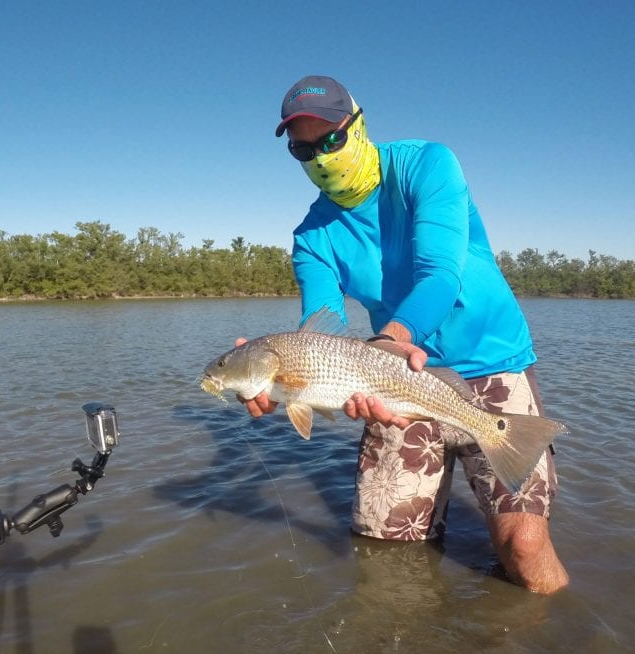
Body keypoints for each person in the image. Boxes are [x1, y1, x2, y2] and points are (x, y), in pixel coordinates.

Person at [240, 74, 568, 594]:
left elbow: (440, 272)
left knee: (523, 547)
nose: (320, 156)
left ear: (359, 125)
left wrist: (393, 338)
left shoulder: (426, 164)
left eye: (330, 139)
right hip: (392, 386)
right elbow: (322, 323)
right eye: (303, 149)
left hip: (491, 364)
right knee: (384, 553)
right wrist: (280, 372)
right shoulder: (311, 237)